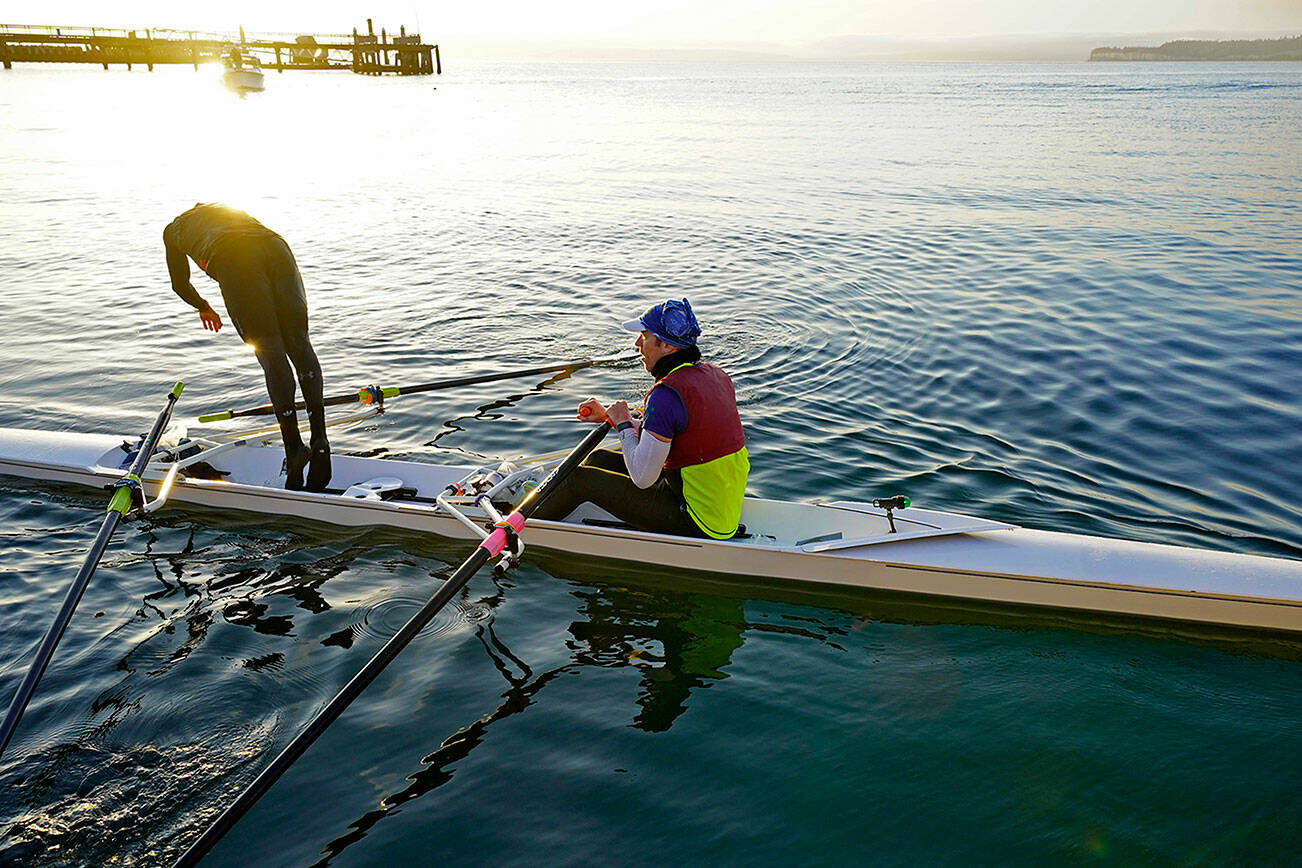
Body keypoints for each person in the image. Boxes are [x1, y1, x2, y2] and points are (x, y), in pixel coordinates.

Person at [534, 298, 749, 539]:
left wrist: (624, 423)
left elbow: (643, 478)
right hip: (714, 504)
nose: (638, 344)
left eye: (645, 336)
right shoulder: (714, 375)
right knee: (598, 459)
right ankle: (555, 509)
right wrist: (610, 416)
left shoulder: (665, 395)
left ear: (667, 346)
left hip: (696, 521)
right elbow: (676, 431)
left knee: (579, 480)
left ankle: (523, 527)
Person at [164, 203, 331, 491]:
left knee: (270, 352)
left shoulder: (174, 230)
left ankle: (294, 448)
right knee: (300, 345)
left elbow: (180, 283)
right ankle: (320, 437)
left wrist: (202, 306)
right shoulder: (225, 209)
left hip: (234, 256)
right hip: (276, 246)